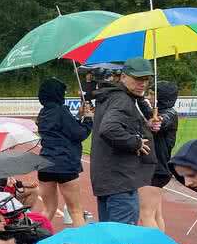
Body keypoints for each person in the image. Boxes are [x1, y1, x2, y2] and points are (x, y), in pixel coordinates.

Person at [89, 64, 155, 224]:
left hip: (108, 179)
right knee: (123, 241)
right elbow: (109, 128)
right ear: (123, 77)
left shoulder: (109, 96)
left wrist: (147, 125)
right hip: (120, 181)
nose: (143, 83)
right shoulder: (121, 99)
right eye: (138, 78)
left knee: (110, 239)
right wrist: (135, 142)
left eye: (146, 79)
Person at [36, 78, 93, 228]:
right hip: (65, 165)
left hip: (45, 165)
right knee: (76, 211)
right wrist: (88, 120)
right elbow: (79, 134)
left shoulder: (42, 113)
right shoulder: (61, 111)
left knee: (48, 209)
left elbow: (63, 129)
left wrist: (79, 117)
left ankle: (35, 239)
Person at [139, 81, 180, 231]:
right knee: (156, 215)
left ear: (160, 97)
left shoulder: (168, 114)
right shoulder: (161, 112)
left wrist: (158, 122)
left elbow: (161, 121)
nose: (149, 97)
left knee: (146, 215)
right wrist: (139, 100)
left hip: (156, 170)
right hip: (159, 169)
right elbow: (151, 116)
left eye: (152, 94)